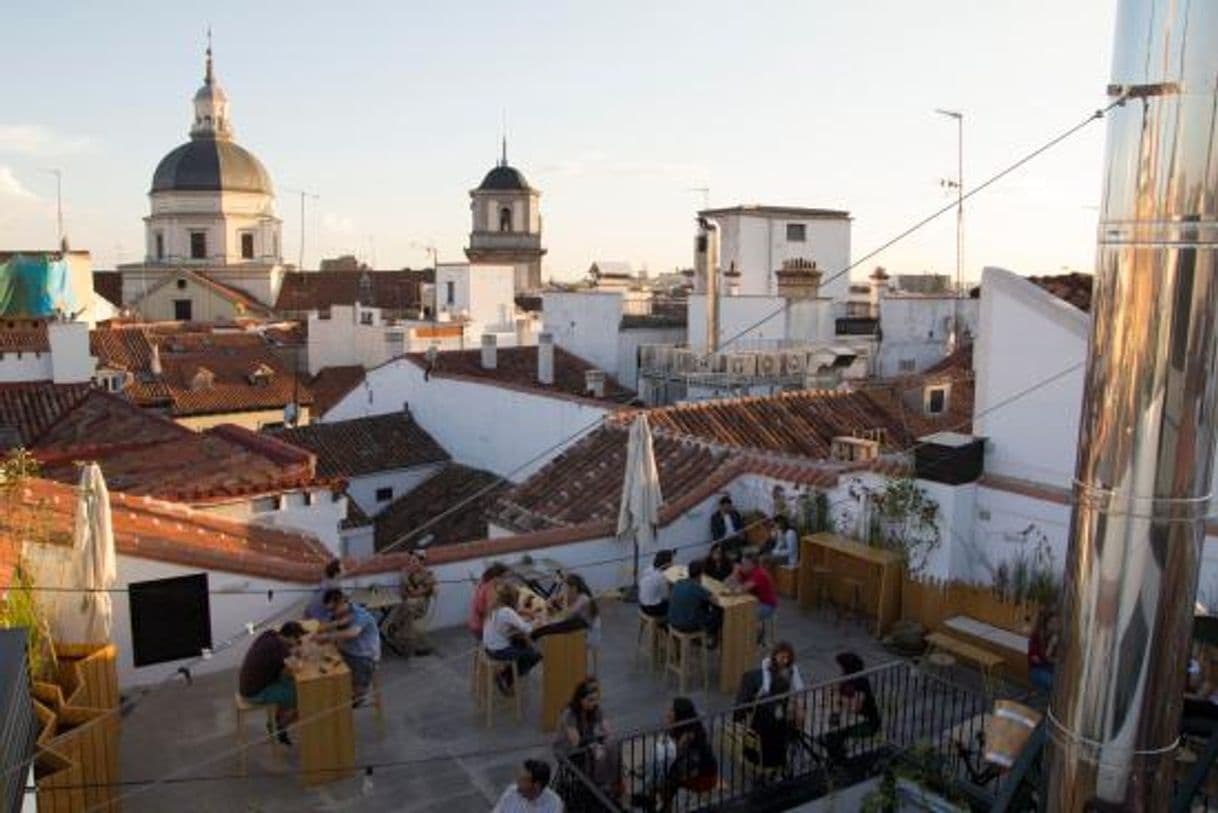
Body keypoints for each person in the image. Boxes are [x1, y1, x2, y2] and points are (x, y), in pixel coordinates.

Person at [238, 621, 306, 744]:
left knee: (290, 681)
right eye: (298, 640)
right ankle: (278, 726)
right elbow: (298, 667)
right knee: (302, 695)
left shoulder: (269, 635)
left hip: (248, 684)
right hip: (254, 693)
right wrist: (298, 654)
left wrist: (292, 651)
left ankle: (278, 717)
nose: (298, 642)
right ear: (291, 637)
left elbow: (284, 661)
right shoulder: (280, 649)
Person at [318, 590, 381, 706]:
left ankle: (361, 697)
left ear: (342, 602)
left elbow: (352, 633)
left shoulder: (360, 614)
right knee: (326, 667)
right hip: (348, 651)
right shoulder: (341, 614)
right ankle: (347, 691)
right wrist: (322, 630)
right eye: (329, 610)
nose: (332, 613)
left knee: (357, 689)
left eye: (333, 609)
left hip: (364, 656)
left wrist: (328, 635)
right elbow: (335, 624)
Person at [554, 677, 618, 793]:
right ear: (580, 699)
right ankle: (597, 786)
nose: (594, 703)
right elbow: (576, 742)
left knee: (612, 745)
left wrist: (606, 738)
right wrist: (596, 742)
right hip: (568, 750)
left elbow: (608, 730)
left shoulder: (595, 709)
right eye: (590, 700)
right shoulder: (570, 714)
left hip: (587, 744)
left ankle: (613, 782)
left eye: (596, 699)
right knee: (599, 753)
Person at [819, 651, 882, 765]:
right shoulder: (846, 678)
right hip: (848, 718)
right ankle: (837, 756)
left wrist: (838, 699)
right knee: (827, 728)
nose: (841, 670)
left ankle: (839, 762)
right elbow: (833, 688)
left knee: (833, 733)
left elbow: (855, 707)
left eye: (842, 667)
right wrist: (831, 692)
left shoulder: (860, 682)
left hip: (866, 723)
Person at [659, 697, 718, 812]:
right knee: (666, 774)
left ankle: (665, 808)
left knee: (668, 779)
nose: (668, 712)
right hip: (696, 768)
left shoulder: (690, 735)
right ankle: (665, 805)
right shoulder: (687, 725)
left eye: (672, 710)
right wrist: (670, 727)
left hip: (705, 777)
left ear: (680, 714)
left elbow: (681, 760)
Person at [483, 583, 543, 694]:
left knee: (523, 644)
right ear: (513, 599)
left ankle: (506, 675)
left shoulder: (495, 607)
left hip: (488, 647)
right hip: (498, 651)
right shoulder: (507, 612)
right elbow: (528, 629)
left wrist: (522, 615)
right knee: (534, 656)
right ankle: (506, 678)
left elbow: (508, 623)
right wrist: (538, 620)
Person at [383, 551, 436, 657]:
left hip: (420, 606)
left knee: (409, 605)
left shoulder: (427, 575)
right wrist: (412, 589)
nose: (411, 563)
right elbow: (403, 592)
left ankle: (394, 627)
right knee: (407, 610)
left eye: (414, 561)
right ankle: (409, 646)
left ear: (421, 562)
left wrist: (412, 590)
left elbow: (418, 592)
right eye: (410, 561)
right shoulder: (405, 573)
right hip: (406, 605)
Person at [667, 559, 721, 645]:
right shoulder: (697, 588)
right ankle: (710, 640)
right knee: (717, 614)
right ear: (701, 574)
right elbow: (715, 600)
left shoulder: (679, 582)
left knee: (702, 605)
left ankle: (699, 638)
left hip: (672, 621)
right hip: (686, 626)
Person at [492, 759, 564, 813]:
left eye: (523, 780)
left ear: (537, 786)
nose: (518, 783)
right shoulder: (511, 792)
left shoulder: (554, 804)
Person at [734, 554, 779, 624]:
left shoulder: (759, 574)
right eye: (741, 563)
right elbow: (727, 581)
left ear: (751, 564)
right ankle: (753, 630)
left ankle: (753, 632)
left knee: (743, 615)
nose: (741, 566)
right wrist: (736, 574)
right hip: (756, 601)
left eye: (744, 564)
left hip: (767, 605)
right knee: (738, 610)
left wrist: (736, 577)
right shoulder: (747, 571)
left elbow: (742, 589)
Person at [469, 562, 509, 640]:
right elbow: (486, 610)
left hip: (474, 623)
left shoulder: (483, 583)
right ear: (497, 577)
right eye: (504, 577)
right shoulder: (490, 588)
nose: (506, 580)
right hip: (481, 626)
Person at [1028, 606, 1060, 692]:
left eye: (1057, 623)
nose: (1057, 625)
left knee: (1059, 679)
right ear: (1047, 624)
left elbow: (1051, 659)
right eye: (1053, 623)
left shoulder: (1053, 635)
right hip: (1036, 671)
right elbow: (1041, 659)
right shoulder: (1037, 636)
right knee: (1055, 683)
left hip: (1046, 668)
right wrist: (1051, 646)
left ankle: (1042, 694)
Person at [639, 550, 673, 618]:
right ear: (667, 563)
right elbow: (666, 597)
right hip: (652, 609)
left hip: (642, 604)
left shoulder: (648, 569)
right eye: (671, 561)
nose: (673, 563)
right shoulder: (661, 577)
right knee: (675, 603)